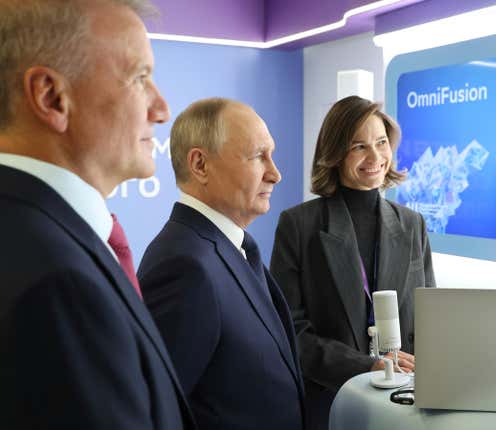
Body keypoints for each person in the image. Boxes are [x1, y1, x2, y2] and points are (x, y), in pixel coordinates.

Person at [0, 0, 196, 428]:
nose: (161, 109)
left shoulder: (34, 238)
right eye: (140, 77)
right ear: (52, 97)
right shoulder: (55, 281)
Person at [138, 98, 305, 430]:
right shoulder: (184, 265)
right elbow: (159, 413)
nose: (275, 173)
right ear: (200, 164)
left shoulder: (231, 247)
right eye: (258, 156)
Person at [270, 95, 436, 429]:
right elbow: (289, 332)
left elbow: (431, 319)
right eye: (359, 146)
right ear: (334, 153)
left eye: (381, 142)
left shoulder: (412, 224)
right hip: (332, 402)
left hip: (403, 403)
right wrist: (366, 365)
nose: (375, 157)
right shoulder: (299, 225)